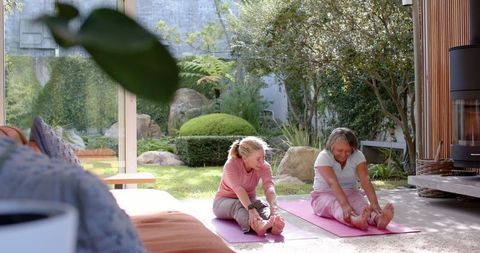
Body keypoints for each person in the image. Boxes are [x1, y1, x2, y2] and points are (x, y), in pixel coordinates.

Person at [311, 127, 394, 230]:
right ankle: (355, 220)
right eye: (339, 150)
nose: (343, 154)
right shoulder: (324, 156)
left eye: (348, 151)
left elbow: (365, 179)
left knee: (362, 205)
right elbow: (333, 183)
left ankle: (378, 219)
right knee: (336, 205)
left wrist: (374, 203)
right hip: (324, 195)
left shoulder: (357, 155)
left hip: (351, 192)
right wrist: (345, 206)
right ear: (331, 147)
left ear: (353, 148)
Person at [213, 136, 285, 236]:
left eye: (263, 157)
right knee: (240, 205)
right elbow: (239, 189)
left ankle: (273, 223)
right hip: (222, 202)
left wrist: (274, 209)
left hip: (249, 199)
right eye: (258, 159)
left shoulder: (264, 166)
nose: (262, 162)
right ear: (245, 157)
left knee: (261, 205)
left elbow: (269, 187)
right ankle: (257, 226)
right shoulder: (231, 165)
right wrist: (251, 209)